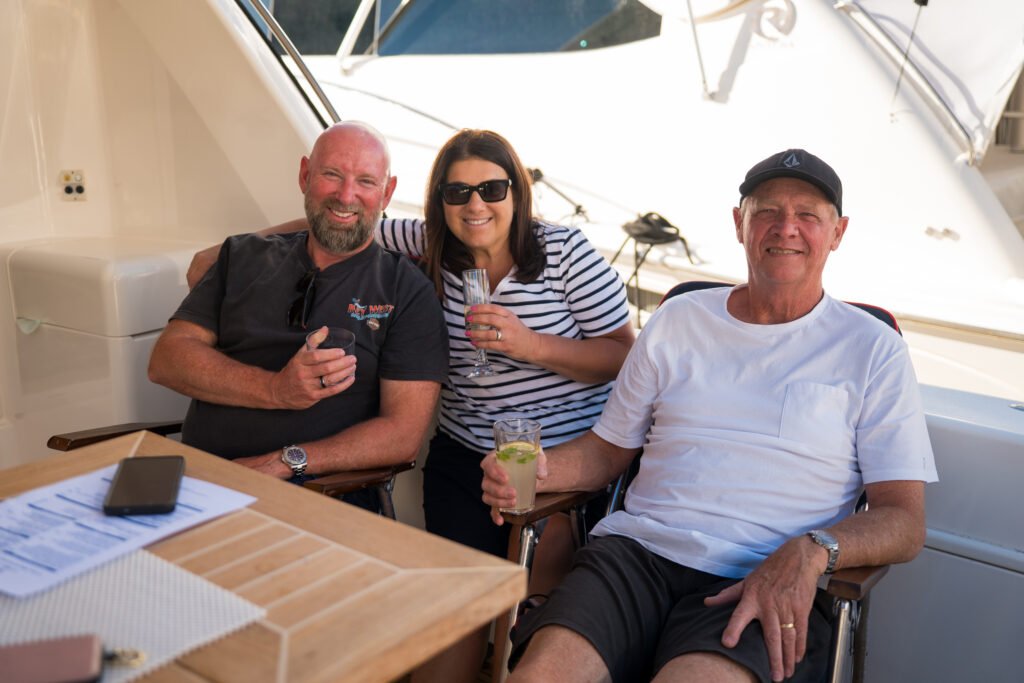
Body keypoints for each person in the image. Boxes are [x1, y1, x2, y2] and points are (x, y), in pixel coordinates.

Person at [186, 128, 635, 681]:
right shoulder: (427, 242)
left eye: (493, 189)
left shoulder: (565, 253)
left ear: (517, 192)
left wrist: (530, 345)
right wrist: (244, 253)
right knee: (454, 610)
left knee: (537, 607)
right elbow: (340, 218)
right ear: (437, 202)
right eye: (457, 192)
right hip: (464, 451)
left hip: (556, 453)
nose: (475, 205)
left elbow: (623, 355)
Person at [481, 148, 938, 683]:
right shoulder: (678, 318)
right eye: (767, 210)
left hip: (764, 576)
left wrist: (815, 551)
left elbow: (903, 520)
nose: (785, 228)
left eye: (808, 215)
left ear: (837, 233)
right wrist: (540, 470)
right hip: (636, 557)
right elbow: (608, 451)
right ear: (739, 223)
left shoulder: (872, 349)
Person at [148, 121, 448, 512]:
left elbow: (402, 434)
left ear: (387, 192)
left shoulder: (405, 290)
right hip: (205, 488)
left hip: (323, 499)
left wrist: (285, 462)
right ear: (305, 175)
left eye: (366, 182)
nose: (346, 196)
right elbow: (167, 360)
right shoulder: (242, 257)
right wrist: (276, 390)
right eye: (331, 175)